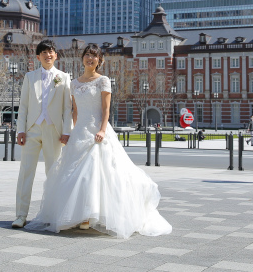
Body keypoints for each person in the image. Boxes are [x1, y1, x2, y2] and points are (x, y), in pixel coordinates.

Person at [26, 43, 172, 238]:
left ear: (99, 61)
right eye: (87, 55)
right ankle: (79, 215)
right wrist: (73, 131)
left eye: (94, 56)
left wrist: (103, 130)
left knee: (97, 173)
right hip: (80, 131)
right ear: (82, 59)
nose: (90, 59)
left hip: (97, 131)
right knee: (74, 175)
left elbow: (105, 110)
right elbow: (74, 111)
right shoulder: (74, 83)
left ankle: (92, 215)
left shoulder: (103, 81)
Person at [12, 39, 73, 229]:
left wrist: (66, 132)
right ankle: (20, 216)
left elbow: (67, 109)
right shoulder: (30, 77)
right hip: (31, 130)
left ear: (56, 55)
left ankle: (53, 214)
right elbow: (22, 106)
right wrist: (21, 130)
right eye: (44, 52)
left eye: (51, 52)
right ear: (38, 56)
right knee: (25, 173)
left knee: (53, 174)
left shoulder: (63, 77)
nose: (48, 55)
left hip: (54, 131)